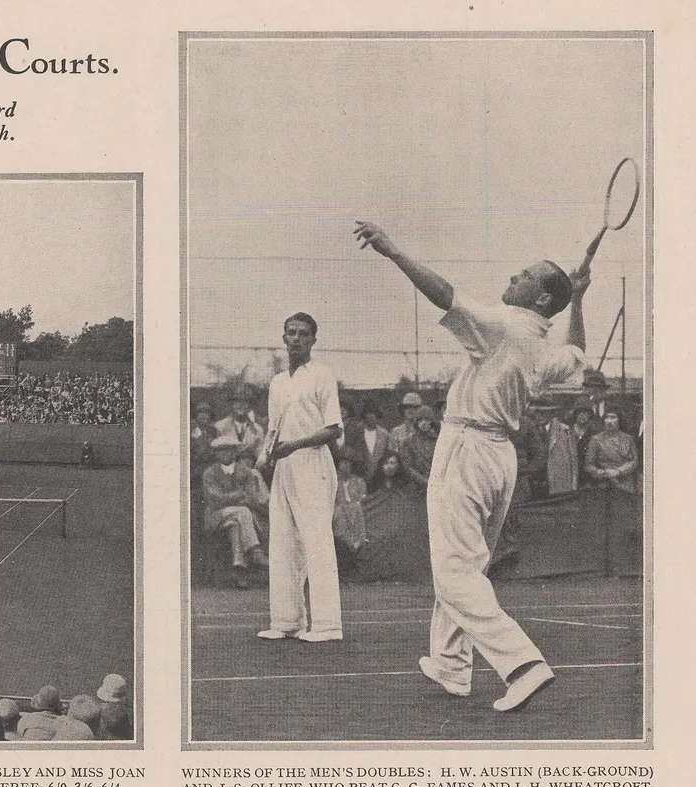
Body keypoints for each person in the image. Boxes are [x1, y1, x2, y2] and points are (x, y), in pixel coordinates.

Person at [355, 220, 591, 711]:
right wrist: (582, 297)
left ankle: (523, 665)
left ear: (542, 300)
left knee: (454, 572)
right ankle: (450, 665)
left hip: (465, 449)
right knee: (467, 563)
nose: (513, 276)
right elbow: (579, 354)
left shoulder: (503, 325)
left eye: (525, 275)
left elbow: (445, 294)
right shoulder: (545, 346)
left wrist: (392, 249)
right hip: (498, 457)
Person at [256, 313, 345, 642]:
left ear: (313, 339)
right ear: (283, 337)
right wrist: (265, 455)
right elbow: (272, 428)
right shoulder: (277, 382)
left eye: (303, 334)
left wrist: (294, 445)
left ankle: (327, 626)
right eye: (291, 333)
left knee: (317, 543)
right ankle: (287, 621)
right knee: (282, 542)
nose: (296, 339)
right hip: (284, 468)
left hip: (313, 464)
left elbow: (333, 429)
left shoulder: (322, 375)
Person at [201, 434, 270, 587]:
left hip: (235, 519)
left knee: (237, 523)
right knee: (243, 512)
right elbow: (214, 498)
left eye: (230, 450)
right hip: (216, 516)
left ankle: (239, 567)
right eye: (222, 451)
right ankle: (256, 551)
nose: (226, 454)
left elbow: (250, 495)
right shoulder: (210, 473)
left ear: (235, 452)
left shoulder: (245, 471)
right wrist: (238, 495)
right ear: (217, 454)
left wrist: (230, 498)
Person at [584, 410, 639, 493]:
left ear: (619, 420)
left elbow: (634, 461)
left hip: (625, 485)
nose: (609, 421)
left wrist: (618, 471)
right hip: (603, 485)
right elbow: (588, 464)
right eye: (606, 417)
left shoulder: (628, 439)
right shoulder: (596, 439)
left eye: (613, 417)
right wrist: (601, 472)